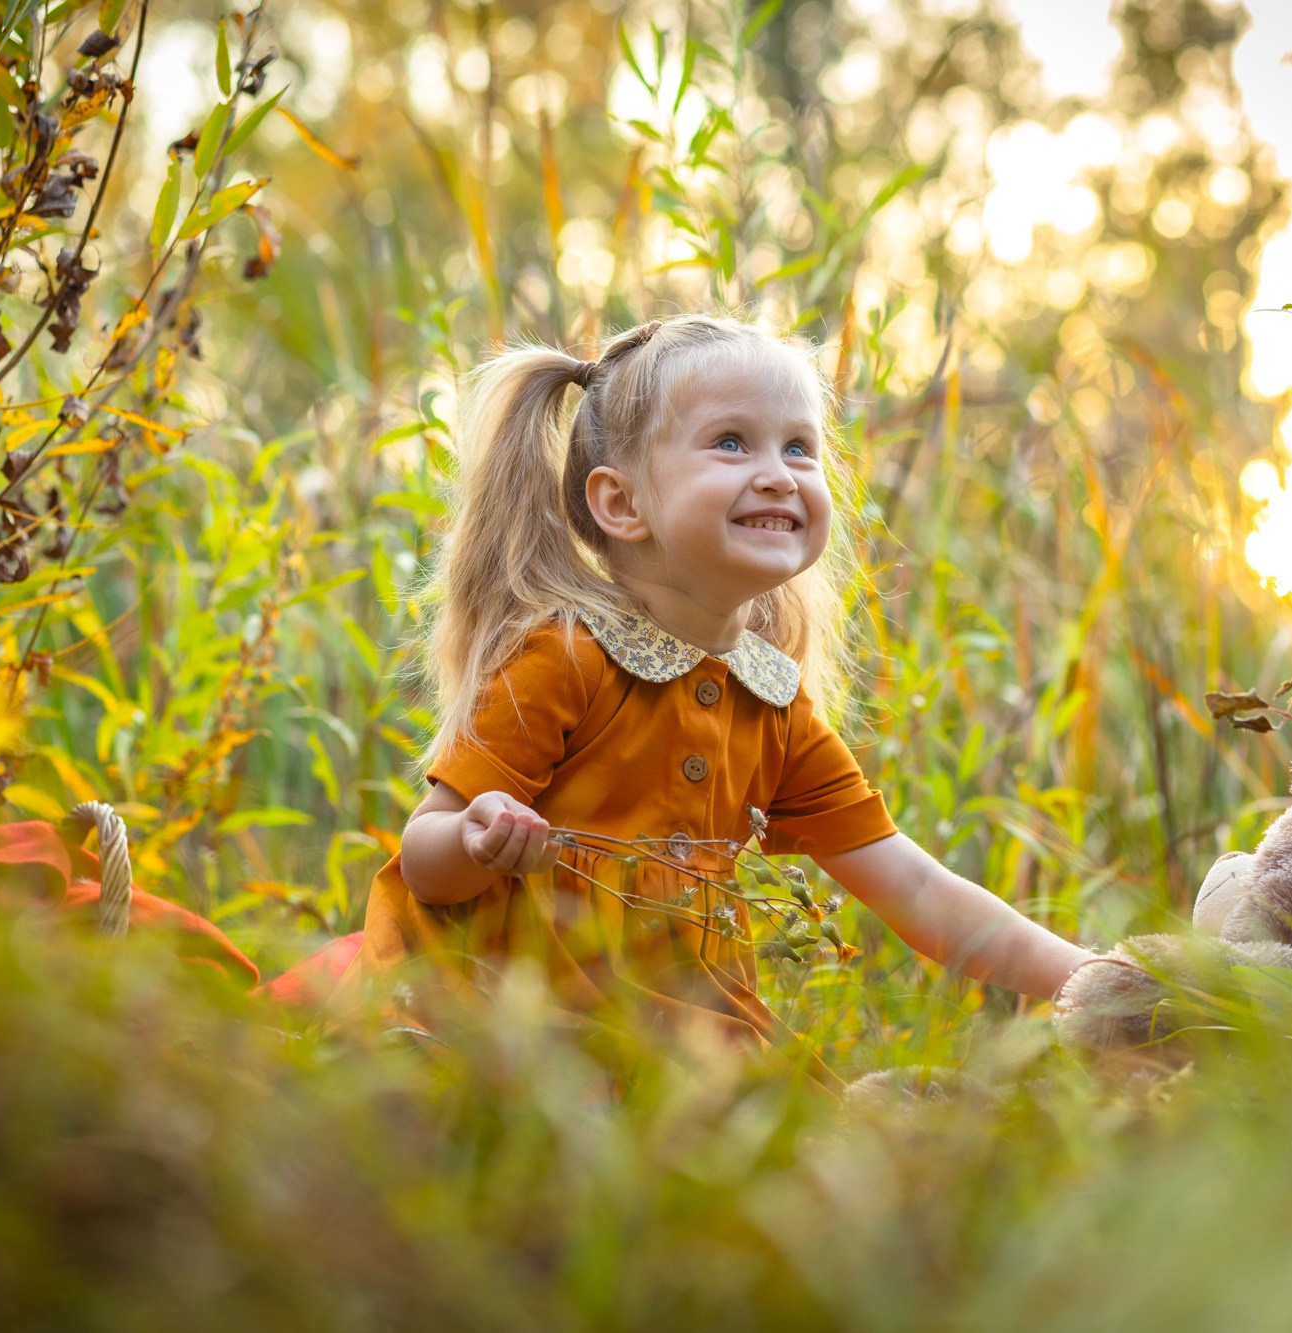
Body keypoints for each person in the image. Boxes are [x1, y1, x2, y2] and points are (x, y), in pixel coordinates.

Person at [343, 314, 1092, 1082]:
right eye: (732, 442)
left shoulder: (771, 702)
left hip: (690, 1042)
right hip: (513, 1023)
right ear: (621, 505)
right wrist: (475, 837)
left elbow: (917, 887)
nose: (779, 473)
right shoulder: (565, 658)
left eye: (798, 446)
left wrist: (1097, 982)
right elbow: (425, 862)